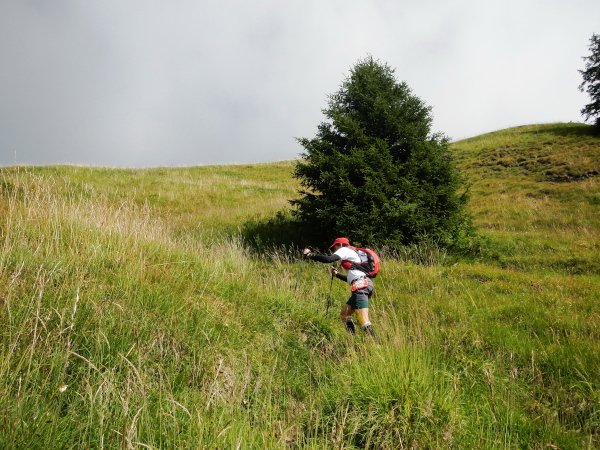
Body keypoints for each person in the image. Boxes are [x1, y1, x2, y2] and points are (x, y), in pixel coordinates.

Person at [303, 237, 376, 337]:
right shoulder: (356, 254)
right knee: (344, 314)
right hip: (364, 284)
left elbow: (329, 259)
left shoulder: (345, 249)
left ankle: (376, 343)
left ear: (340, 245)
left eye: (334, 248)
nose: (334, 251)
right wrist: (337, 275)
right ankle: (352, 338)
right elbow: (351, 278)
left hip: (360, 286)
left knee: (363, 320)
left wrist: (310, 255)